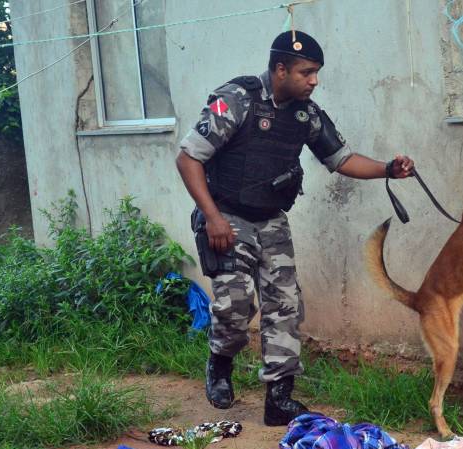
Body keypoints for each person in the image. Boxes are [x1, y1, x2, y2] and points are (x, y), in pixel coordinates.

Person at [175, 30, 415, 426]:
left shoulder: (306, 114)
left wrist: (388, 169)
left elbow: (342, 159)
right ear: (280, 69)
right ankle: (220, 362)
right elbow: (188, 159)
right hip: (227, 216)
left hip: (270, 219)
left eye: (317, 73)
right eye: (307, 72)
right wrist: (213, 217)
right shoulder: (237, 100)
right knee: (234, 306)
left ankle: (279, 397)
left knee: (285, 305)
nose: (314, 80)